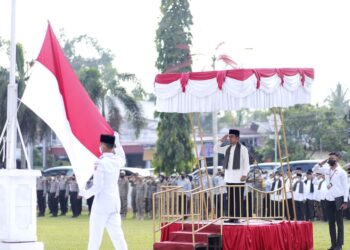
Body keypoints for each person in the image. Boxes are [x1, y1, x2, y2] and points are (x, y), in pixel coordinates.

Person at [80, 133, 127, 250]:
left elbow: (98, 186)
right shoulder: (117, 160)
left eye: (101, 144)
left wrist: (85, 193)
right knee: (118, 236)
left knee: (95, 238)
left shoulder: (100, 162)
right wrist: (118, 142)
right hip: (114, 204)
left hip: (101, 205)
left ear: (103, 145)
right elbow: (123, 156)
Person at [313, 152, 349, 250]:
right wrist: (324, 160)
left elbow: (345, 188)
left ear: (337, 159)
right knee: (331, 223)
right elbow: (315, 169)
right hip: (328, 199)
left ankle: (339, 245)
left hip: (338, 199)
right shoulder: (327, 170)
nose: (330, 160)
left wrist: (345, 202)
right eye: (329, 158)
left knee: (339, 223)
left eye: (332, 158)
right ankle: (333, 245)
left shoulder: (342, 172)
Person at [215, 129, 250, 223]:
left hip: (239, 179)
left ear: (237, 138)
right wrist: (221, 140)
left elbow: (246, 163)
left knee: (238, 199)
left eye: (232, 136)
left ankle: (237, 218)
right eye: (229, 136)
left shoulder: (243, 149)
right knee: (230, 199)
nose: (230, 138)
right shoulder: (227, 148)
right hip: (229, 178)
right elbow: (216, 149)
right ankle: (231, 217)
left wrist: (244, 174)